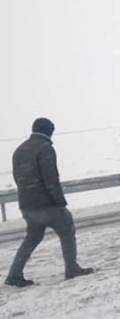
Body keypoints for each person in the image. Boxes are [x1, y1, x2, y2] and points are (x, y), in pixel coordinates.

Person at [5, 118, 94, 287]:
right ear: (49, 131)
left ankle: (14, 274)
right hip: (46, 205)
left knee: (32, 238)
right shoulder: (45, 149)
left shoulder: (19, 150)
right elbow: (51, 179)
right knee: (67, 228)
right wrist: (60, 203)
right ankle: (71, 268)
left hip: (27, 206)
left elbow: (20, 178)